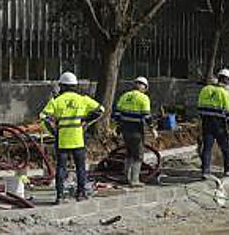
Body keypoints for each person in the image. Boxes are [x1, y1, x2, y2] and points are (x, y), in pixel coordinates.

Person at [40, 71, 105, 203]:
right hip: (78, 139)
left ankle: (59, 196)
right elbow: (100, 110)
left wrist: (52, 131)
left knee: (61, 168)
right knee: (80, 167)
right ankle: (80, 194)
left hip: (63, 139)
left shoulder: (56, 101)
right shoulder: (83, 99)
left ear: (62, 86)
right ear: (75, 85)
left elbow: (43, 117)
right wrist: (86, 120)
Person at [113, 76, 156, 188]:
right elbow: (147, 116)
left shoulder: (124, 96)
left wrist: (118, 128)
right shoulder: (143, 98)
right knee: (138, 155)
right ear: (145, 87)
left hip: (125, 130)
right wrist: (152, 130)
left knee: (129, 153)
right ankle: (134, 180)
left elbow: (117, 115)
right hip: (136, 130)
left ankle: (125, 177)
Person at [197, 68, 229, 178]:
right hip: (219, 124)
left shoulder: (205, 89)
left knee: (207, 148)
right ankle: (228, 169)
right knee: (225, 147)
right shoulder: (224, 93)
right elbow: (228, 112)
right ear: (227, 80)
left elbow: (199, 108)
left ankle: (205, 171)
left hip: (206, 123)